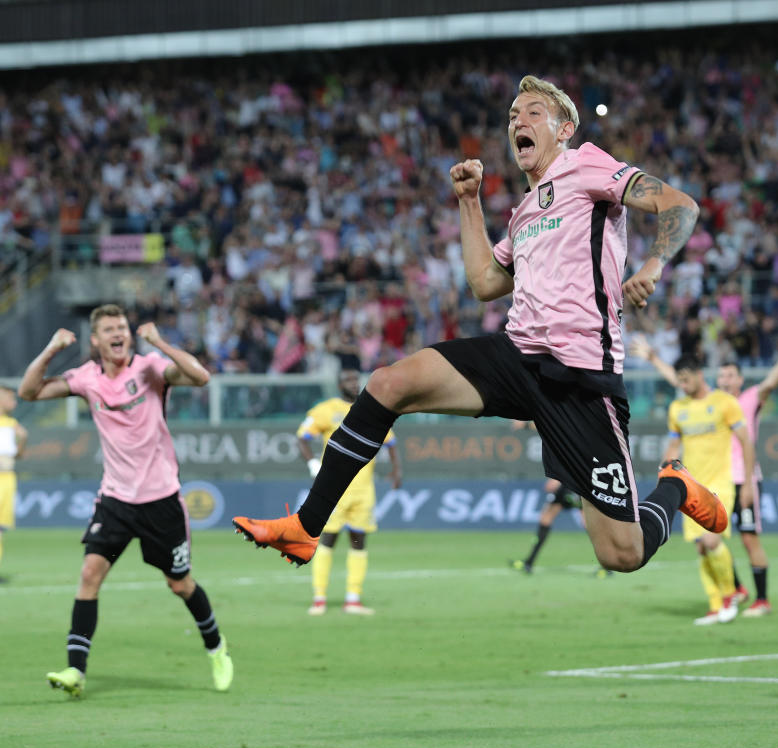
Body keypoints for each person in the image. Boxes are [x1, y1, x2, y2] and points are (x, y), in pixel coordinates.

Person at [234, 75, 726, 580]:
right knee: (388, 384)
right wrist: (468, 201)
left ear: (564, 130)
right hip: (517, 356)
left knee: (620, 555)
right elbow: (485, 282)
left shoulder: (587, 165)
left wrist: (653, 266)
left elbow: (680, 205)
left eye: (533, 112)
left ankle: (675, 488)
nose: (519, 121)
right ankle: (307, 526)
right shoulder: (523, 212)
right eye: (513, 115)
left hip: (580, 375)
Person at [18, 305, 234, 698]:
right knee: (89, 575)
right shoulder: (86, 377)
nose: (119, 333)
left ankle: (217, 648)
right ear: (95, 340)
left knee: (180, 584)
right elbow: (28, 391)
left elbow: (201, 377)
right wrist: (51, 348)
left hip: (161, 499)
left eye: (123, 327)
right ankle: (75, 670)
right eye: (109, 329)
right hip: (115, 498)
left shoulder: (149, 367)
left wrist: (158, 341)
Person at [636, 331, 778, 615]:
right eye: (722, 376)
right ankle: (735, 591)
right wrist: (654, 359)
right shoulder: (702, 403)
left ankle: (760, 597)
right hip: (715, 477)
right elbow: (681, 381)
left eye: (731, 376)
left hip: (743, 478)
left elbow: (770, 384)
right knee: (709, 542)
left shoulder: (748, 399)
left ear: (740, 380)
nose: (725, 380)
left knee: (746, 538)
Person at [662, 355, 758, 625]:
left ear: (698, 374)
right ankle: (715, 606)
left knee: (711, 541)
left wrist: (748, 483)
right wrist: (665, 473)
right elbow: (673, 445)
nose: (681, 384)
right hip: (690, 486)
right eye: (678, 380)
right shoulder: (677, 408)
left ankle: (731, 596)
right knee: (701, 549)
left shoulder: (724, 403)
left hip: (719, 485)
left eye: (685, 378)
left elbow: (746, 442)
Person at [297, 368, 401, 616]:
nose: (353, 384)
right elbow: (302, 437)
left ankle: (353, 599)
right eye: (348, 380)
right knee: (328, 540)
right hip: (335, 490)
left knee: (359, 542)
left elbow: (391, 441)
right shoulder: (326, 409)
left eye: (356, 379)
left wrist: (397, 470)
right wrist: (313, 463)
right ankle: (319, 597)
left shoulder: (370, 408)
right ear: (338, 384)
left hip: (363, 490)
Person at [508, 420, 611, 577]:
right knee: (547, 518)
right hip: (570, 482)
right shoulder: (570, 428)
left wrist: (557, 478)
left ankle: (608, 564)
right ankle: (529, 563)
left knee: (587, 523)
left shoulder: (571, 429)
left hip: (573, 482)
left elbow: (552, 428)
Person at [0, 386, 28, 580]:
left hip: (7, 478)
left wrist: (21, 444)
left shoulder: (11, 424)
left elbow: (21, 445)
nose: (15, 402)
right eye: (10, 398)